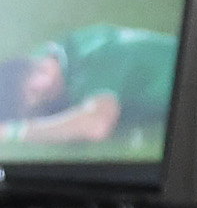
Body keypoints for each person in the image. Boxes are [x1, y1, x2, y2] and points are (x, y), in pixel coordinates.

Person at [0, 23, 178, 150]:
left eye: (38, 92)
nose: (45, 85)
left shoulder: (96, 54)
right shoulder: (51, 55)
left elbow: (97, 125)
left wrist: (13, 131)